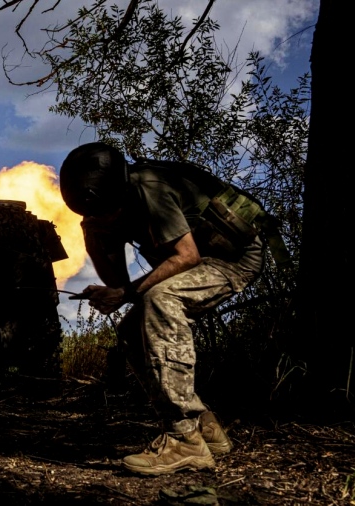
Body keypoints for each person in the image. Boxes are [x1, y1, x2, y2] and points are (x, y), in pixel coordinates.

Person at [59, 142, 265, 475]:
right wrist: (95, 236)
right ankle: (206, 429)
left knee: (161, 300)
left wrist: (126, 292)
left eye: (100, 212)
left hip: (233, 259)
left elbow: (187, 257)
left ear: (118, 193)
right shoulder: (102, 213)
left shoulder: (150, 189)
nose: (95, 217)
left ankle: (183, 439)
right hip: (197, 261)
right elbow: (117, 282)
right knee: (130, 329)